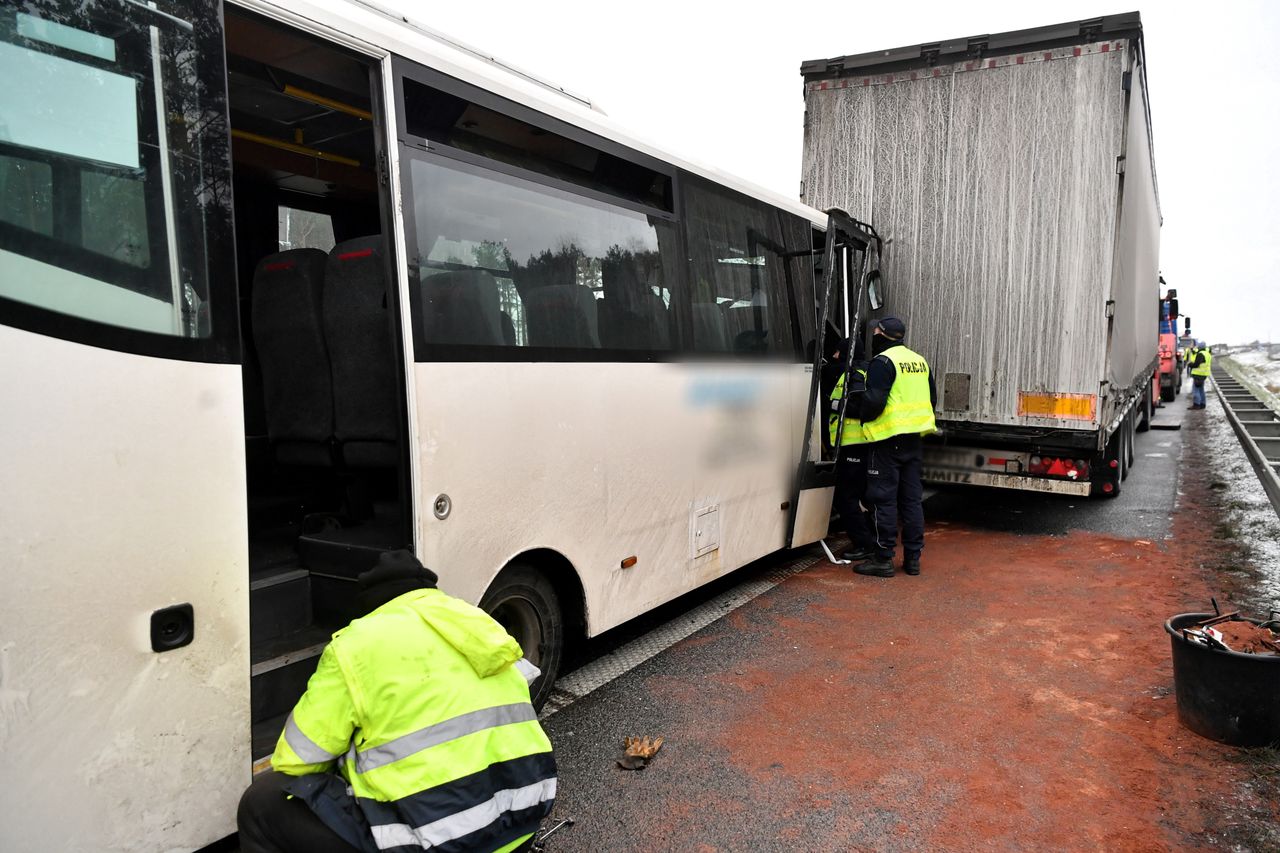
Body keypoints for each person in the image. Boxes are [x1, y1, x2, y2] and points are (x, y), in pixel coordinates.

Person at [237, 550, 556, 853]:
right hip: (521, 823)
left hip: (443, 843)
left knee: (260, 803)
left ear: (371, 605)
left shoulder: (354, 647)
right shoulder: (478, 622)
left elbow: (296, 760)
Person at [852, 316, 937, 578]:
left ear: (882, 335)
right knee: (912, 501)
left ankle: (883, 558)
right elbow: (931, 398)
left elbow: (874, 401)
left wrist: (860, 412)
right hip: (913, 439)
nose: (873, 334)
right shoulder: (918, 361)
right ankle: (913, 559)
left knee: (883, 499)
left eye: (875, 331)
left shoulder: (883, 362)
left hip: (887, 440)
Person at [828, 335, 877, 561]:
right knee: (864, 496)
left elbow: (859, 407)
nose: (834, 356)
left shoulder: (854, 374)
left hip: (855, 445)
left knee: (846, 498)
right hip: (861, 444)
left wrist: (836, 405)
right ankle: (874, 537)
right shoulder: (866, 370)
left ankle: (864, 544)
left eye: (838, 352)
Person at [1189, 340, 1211, 409]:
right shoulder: (1207, 354)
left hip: (1198, 374)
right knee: (1201, 390)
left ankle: (1196, 404)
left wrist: (1190, 364)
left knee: (1196, 390)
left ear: (1200, 347)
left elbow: (1196, 364)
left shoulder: (1200, 354)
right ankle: (1202, 404)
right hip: (1204, 374)